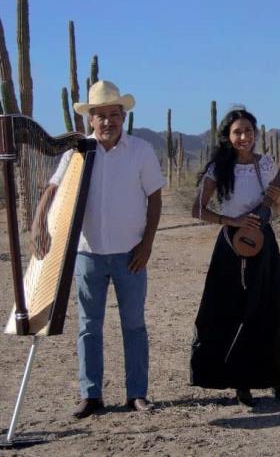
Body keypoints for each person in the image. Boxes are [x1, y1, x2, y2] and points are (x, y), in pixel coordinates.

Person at [32, 80, 165, 419]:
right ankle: (90, 395)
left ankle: (137, 393)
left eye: (114, 115)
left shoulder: (141, 151)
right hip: (87, 254)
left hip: (130, 254)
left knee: (133, 325)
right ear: (90, 119)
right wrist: (38, 222)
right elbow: (51, 189)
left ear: (124, 116)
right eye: (101, 115)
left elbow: (154, 197)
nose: (108, 121)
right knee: (89, 326)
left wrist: (147, 244)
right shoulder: (77, 151)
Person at [189, 108, 280, 406]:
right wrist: (231, 220)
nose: (243, 137)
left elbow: (279, 211)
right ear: (227, 136)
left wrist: (277, 206)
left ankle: (277, 380)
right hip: (230, 247)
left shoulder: (267, 165)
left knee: (273, 311)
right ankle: (241, 383)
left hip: (265, 244)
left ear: (255, 134)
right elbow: (197, 209)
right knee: (234, 312)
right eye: (237, 132)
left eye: (248, 131)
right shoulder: (218, 169)